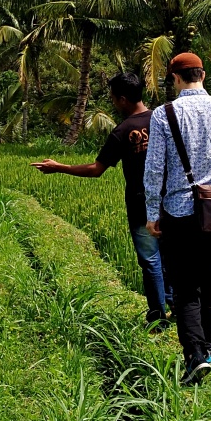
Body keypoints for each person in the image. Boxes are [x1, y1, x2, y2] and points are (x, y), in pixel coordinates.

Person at [33, 71, 173, 331]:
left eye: (112, 98)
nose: (112, 103)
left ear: (122, 99)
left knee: (150, 259)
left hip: (141, 202)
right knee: (170, 255)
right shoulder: (164, 119)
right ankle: (173, 305)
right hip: (171, 200)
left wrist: (58, 167)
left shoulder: (122, 132)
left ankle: (157, 318)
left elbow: (96, 169)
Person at [143, 51, 211, 386]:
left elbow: (154, 168)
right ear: (202, 75)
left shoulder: (164, 114)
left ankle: (195, 355)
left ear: (176, 78)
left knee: (186, 287)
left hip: (179, 212)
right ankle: (208, 346)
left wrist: (151, 212)